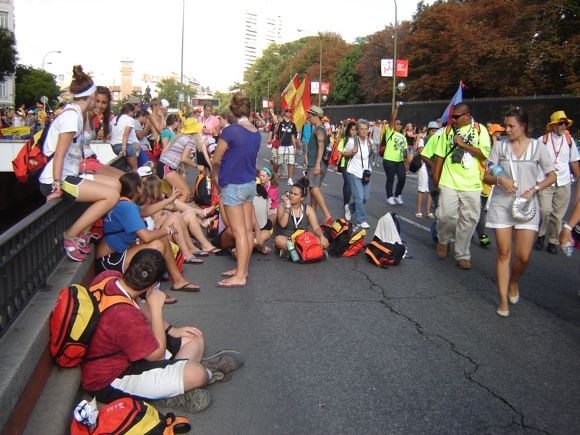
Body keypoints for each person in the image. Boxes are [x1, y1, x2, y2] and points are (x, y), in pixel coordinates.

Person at [81, 248, 244, 411]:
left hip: (125, 354)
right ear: (154, 285)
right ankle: (195, 377)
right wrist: (157, 307)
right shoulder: (125, 316)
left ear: (129, 266)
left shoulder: (109, 277)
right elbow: (156, 356)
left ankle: (173, 380)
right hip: (109, 379)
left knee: (194, 338)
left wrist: (172, 329)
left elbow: (137, 303)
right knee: (198, 375)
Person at [38, 65, 120, 262]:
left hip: (69, 175)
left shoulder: (76, 114)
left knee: (116, 184)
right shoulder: (71, 117)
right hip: (56, 179)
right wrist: (56, 186)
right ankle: (71, 236)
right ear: (91, 97)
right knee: (111, 195)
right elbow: (59, 155)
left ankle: (84, 233)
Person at [483, 107, 556, 317]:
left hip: (526, 205)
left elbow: (551, 176)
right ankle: (503, 300)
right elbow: (486, 176)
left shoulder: (538, 147)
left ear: (523, 126)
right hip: (502, 205)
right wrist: (500, 179)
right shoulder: (500, 147)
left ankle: (513, 281)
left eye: (511, 126)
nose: (507, 129)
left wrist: (534, 189)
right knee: (504, 253)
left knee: (523, 256)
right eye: (505, 125)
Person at [96, 172, 200, 292]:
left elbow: (146, 211)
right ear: (138, 188)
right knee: (157, 245)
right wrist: (168, 230)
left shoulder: (124, 203)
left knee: (162, 239)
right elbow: (145, 237)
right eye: (142, 184)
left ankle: (179, 281)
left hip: (115, 255)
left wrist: (170, 200)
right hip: (108, 262)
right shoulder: (127, 207)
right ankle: (150, 292)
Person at [432, 102, 491, 269]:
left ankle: (462, 254)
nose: (453, 119)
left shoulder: (480, 130)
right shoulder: (448, 131)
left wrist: (463, 145)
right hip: (449, 180)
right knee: (446, 215)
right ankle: (443, 239)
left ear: (467, 115)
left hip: (471, 184)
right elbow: (440, 155)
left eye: (456, 117)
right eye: (452, 117)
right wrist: (436, 175)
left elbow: (484, 153)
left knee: (469, 220)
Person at [211, 92, 261, 288]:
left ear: (233, 110)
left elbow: (216, 159)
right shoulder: (256, 132)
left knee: (239, 232)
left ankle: (240, 275)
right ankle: (243, 270)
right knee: (247, 231)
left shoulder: (231, 131)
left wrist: (215, 175)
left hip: (233, 184)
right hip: (249, 184)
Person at [534, 111, 579, 254]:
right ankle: (541, 236)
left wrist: (578, 177)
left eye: (565, 123)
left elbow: (574, 160)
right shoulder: (543, 140)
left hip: (564, 181)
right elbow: (534, 160)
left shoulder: (569, 140)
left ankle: (552, 241)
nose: (563, 126)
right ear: (553, 125)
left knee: (558, 215)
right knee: (545, 211)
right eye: (560, 123)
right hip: (545, 180)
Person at [274, 177, 329, 256]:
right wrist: (287, 207)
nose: (291, 196)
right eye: (291, 193)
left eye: (295, 194)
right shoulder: (282, 206)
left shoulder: (308, 209)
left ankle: (295, 252)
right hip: (287, 239)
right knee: (278, 240)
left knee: (320, 241)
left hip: (303, 240)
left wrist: (322, 237)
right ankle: (309, 251)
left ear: (302, 197)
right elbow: (282, 224)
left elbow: (316, 227)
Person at [476, 123, 505, 247]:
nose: (500, 135)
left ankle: (475, 233)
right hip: (479, 183)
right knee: (479, 212)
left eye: (500, 133)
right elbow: (490, 164)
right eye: (497, 133)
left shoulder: (498, 147)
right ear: (492, 134)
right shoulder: (487, 146)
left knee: (481, 211)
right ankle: (482, 236)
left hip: (488, 185)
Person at [304, 105, 333, 226]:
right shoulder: (319, 128)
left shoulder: (319, 130)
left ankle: (327, 216)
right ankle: (312, 215)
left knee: (314, 190)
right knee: (313, 189)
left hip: (316, 164)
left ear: (316, 116)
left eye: (310, 114)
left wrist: (316, 164)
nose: (308, 117)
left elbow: (321, 146)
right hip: (319, 163)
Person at [342, 120, 373, 229]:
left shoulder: (370, 142)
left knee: (365, 197)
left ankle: (349, 208)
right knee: (359, 197)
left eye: (366, 129)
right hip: (354, 172)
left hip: (366, 173)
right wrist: (351, 152)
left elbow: (370, 156)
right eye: (361, 129)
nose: (364, 131)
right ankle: (361, 220)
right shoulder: (352, 141)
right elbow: (343, 152)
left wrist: (372, 152)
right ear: (358, 130)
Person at [159, 118, 199, 201]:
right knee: (186, 193)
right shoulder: (190, 140)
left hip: (163, 165)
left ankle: (174, 210)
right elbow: (184, 159)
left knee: (177, 194)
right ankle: (175, 211)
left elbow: (165, 149)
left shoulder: (180, 136)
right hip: (167, 167)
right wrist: (197, 166)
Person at [382, 102, 408, 205]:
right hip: (389, 159)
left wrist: (406, 163)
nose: (398, 125)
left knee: (402, 178)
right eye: (397, 123)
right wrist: (396, 108)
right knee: (390, 178)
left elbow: (405, 150)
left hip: (400, 161)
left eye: (400, 124)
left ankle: (398, 195)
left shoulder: (403, 137)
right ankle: (389, 196)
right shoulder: (390, 132)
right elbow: (392, 120)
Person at [110, 103, 138, 172]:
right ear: (130, 112)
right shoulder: (130, 120)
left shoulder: (115, 118)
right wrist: (123, 149)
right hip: (125, 146)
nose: (133, 115)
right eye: (133, 112)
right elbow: (125, 135)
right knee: (134, 168)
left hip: (114, 146)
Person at [274, 108, 299, 185]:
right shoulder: (281, 122)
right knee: (278, 162)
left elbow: (293, 136)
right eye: (287, 111)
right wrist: (278, 123)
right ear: (285, 113)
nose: (288, 113)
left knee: (291, 162)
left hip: (290, 145)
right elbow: (275, 132)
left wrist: (295, 146)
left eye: (290, 112)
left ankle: (290, 179)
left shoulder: (293, 124)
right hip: (281, 145)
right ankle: (274, 175)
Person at [338, 122, 357, 219]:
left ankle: (350, 205)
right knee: (348, 183)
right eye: (352, 130)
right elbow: (341, 152)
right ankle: (346, 205)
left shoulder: (359, 140)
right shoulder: (344, 139)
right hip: (345, 165)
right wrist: (350, 153)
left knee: (349, 185)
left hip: (356, 166)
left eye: (355, 130)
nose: (354, 132)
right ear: (348, 130)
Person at [415, 124, 434, 218]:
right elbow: (421, 152)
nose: (434, 133)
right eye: (433, 131)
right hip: (424, 166)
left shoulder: (438, 141)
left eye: (436, 131)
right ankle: (418, 210)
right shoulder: (423, 139)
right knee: (422, 189)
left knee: (430, 190)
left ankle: (428, 211)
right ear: (429, 131)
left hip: (433, 166)